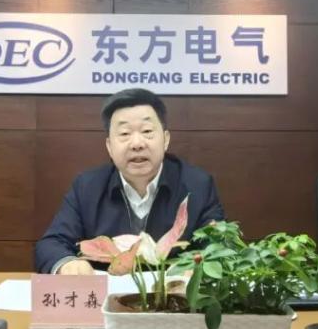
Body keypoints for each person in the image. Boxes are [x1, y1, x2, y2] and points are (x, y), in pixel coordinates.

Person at [35, 88, 225, 274]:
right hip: (109, 293)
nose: (137, 144)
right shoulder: (87, 187)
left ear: (166, 140)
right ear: (109, 146)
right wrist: (68, 264)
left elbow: (220, 244)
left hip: (173, 293)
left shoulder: (198, 185)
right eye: (125, 134)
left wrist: (199, 269)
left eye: (147, 131)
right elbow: (51, 244)